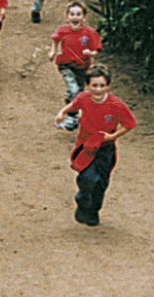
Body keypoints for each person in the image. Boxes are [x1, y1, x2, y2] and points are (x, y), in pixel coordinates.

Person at [54, 66, 136, 226]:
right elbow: (73, 105)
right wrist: (61, 113)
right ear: (87, 85)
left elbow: (129, 124)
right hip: (85, 145)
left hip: (105, 148)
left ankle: (93, 211)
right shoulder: (83, 98)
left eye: (102, 86)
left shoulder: (116, 105)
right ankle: (83, 200)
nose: (98, 90)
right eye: (94, 86)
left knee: (101, 182)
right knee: (86, 177)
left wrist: (112, 137)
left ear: (108, 86)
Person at [50, 2, 102, 131]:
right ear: (67, 17)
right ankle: (71, 115)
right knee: (74, 89)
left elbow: (97, 51)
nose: (75, 17)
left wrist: (90, 53)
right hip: (66, 65)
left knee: (78, 92)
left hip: (82, 68)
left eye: (78, 14)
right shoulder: (63, 30)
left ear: (84, 18)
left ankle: (71, 111)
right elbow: (55, 39)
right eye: (72, 14)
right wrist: (53, 51)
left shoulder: (90, 33)